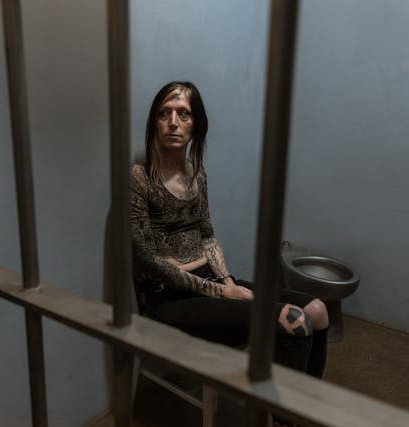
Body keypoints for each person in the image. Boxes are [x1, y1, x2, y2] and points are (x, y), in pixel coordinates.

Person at [130, 81, 329, 377]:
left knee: (317, 310)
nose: (173, 123)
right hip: (169, 300)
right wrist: (222, 292)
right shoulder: (140, 177)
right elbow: (148, 260)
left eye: (183, 114)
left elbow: (208, 235)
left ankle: (307, 404)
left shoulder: (197, 174)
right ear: (154, 123)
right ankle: (285, 419)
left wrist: (226, 281)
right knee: (293, 320)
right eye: (164, 113)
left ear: (196, 125)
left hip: (214, 283)